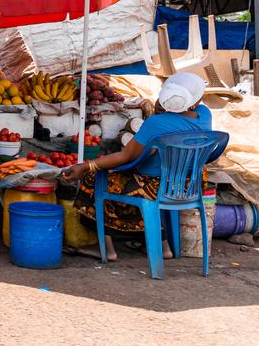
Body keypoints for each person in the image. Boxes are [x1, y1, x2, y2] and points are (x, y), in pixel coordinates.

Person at [62, 72, 212, 261]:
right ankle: (162, 246)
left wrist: (86, 167)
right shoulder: (205, 115)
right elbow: (180, 121)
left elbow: (126, 156)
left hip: (156, 187)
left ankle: (105, 248)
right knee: (128, 179)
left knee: (97, 178)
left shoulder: (156, 123)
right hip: (191, 185)